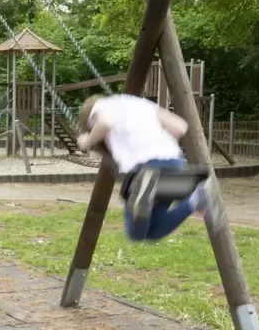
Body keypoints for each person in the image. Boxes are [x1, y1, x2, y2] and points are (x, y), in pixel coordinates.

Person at [77, 94, 222, 241]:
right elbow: (180, 127)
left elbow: (105, 124)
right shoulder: (143, 104)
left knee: (135, 232)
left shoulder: (99, 107)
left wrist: (86, 141)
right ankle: (196, 199)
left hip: (144, 166)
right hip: (173, 162)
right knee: (151, 232)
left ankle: (147, 185)